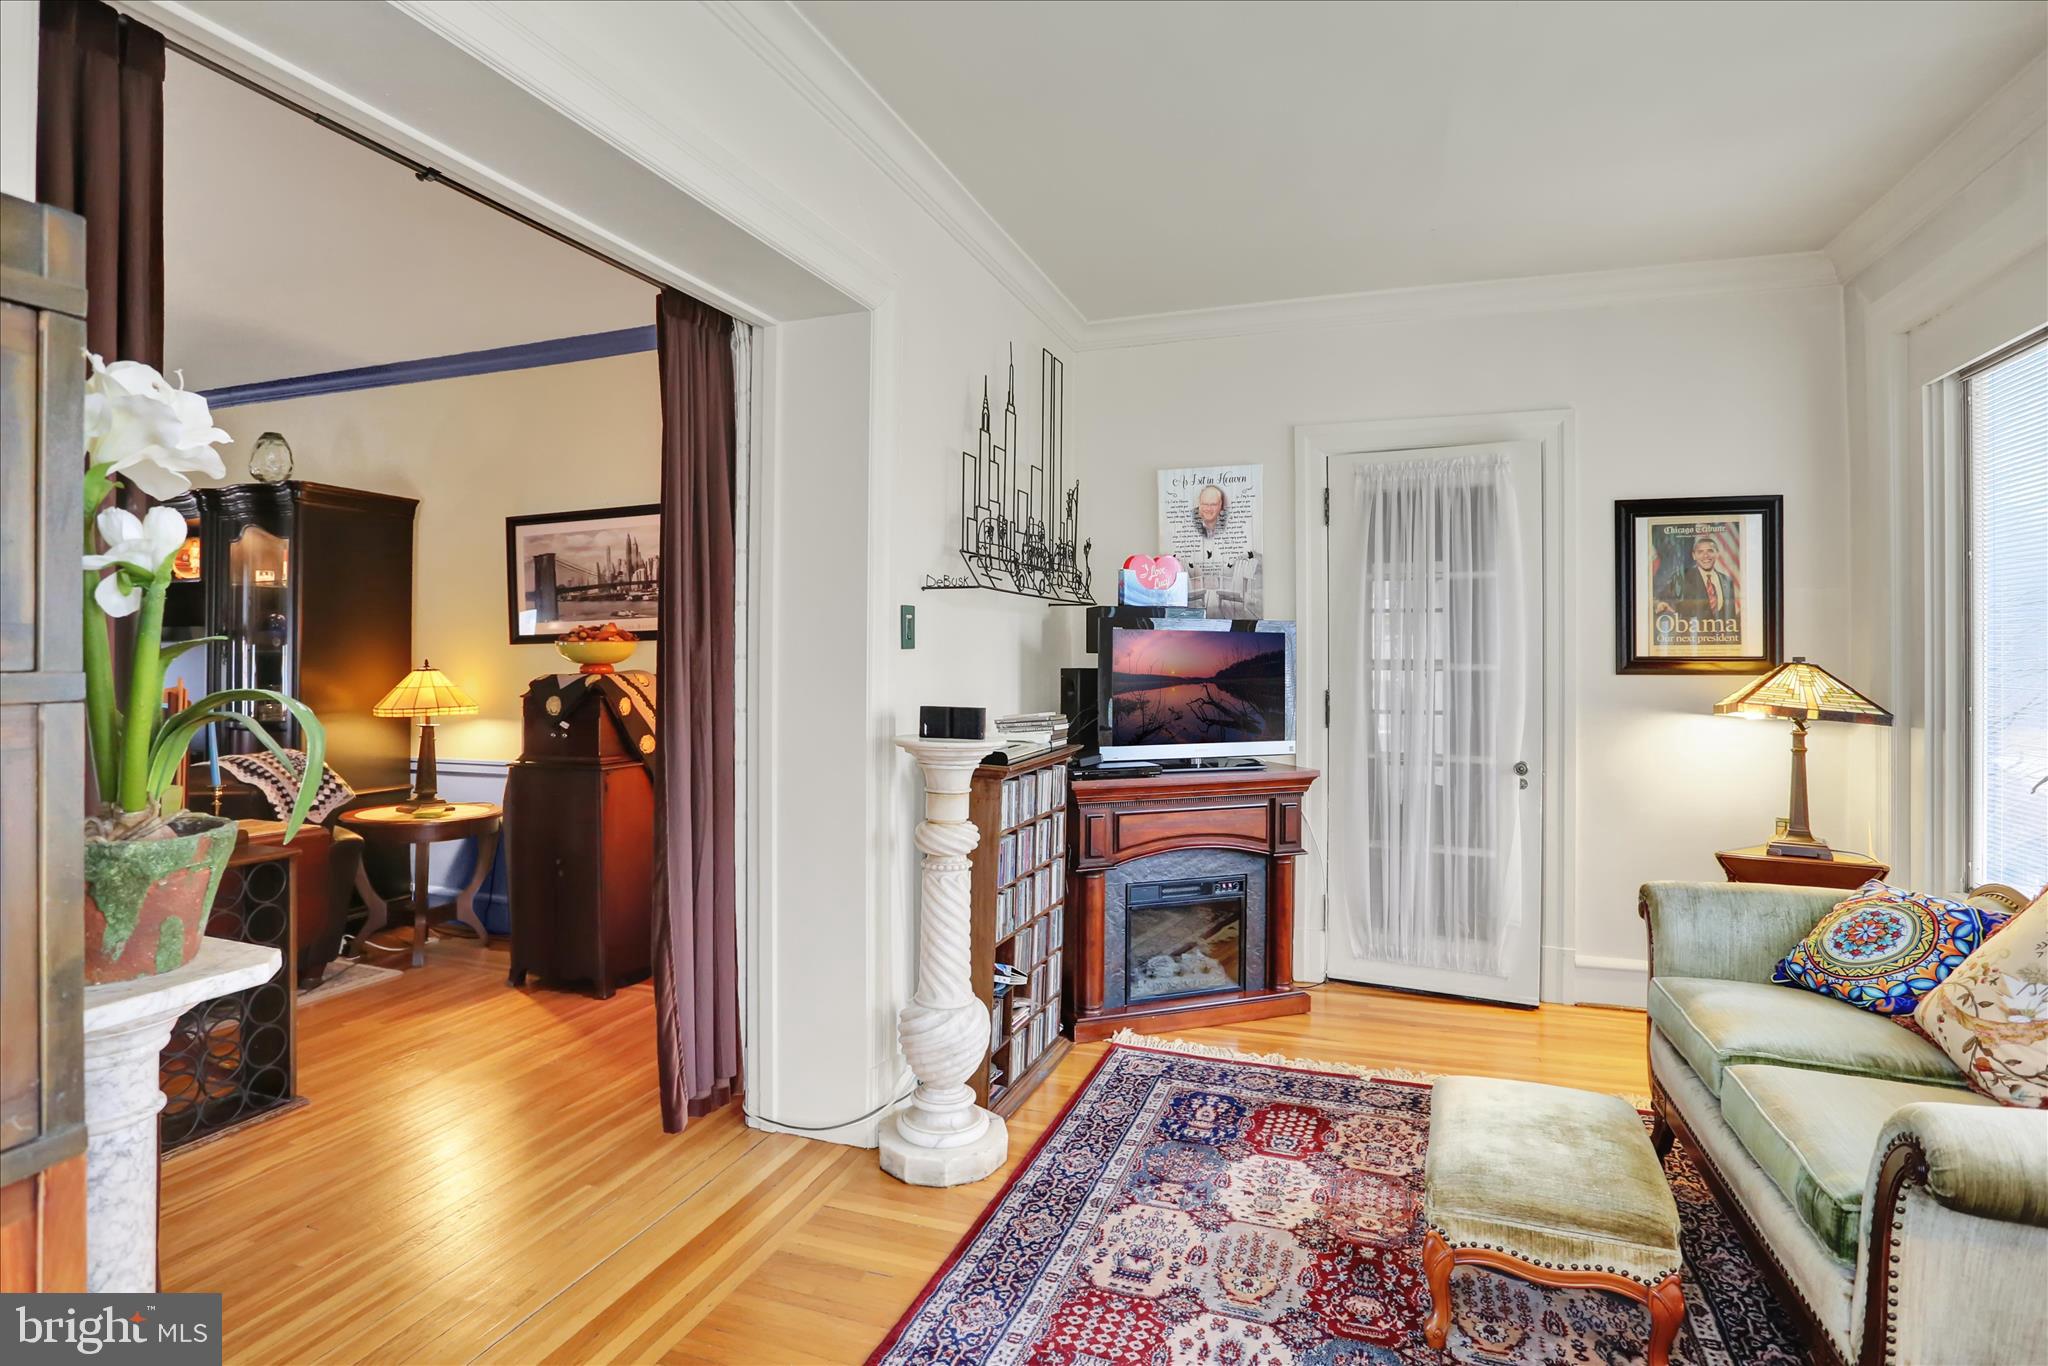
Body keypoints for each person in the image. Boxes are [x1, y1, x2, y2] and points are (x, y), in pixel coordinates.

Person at [1656, 532, 1739, 627]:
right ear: (1694, 555)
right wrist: (1661, 604)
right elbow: (1662, 599)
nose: (1706, 555)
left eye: (1710, 551)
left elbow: (1730, 617)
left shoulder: (1727, 580)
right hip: (1693, 637)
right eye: (1700, 552)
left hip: (1722, 639)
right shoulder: (1682, 577)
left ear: (1717, 554)